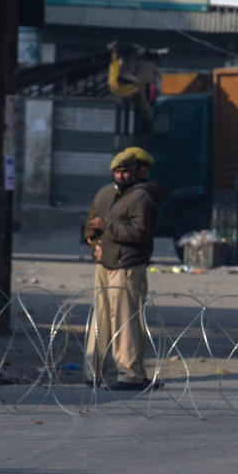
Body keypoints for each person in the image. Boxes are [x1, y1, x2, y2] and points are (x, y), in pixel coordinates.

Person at [83, 146, 161, 391]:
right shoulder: (108, 194)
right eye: (118, 171)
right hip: (114, 266)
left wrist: (105, 229)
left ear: (142, 170)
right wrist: (95, 242)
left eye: (126, 171)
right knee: (116, 320)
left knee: (118, 319)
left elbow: (138, 231)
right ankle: (125, 374)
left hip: (125, 263)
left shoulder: (141, 197)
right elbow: (91, 226)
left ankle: (127, 372)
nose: (121, 176)